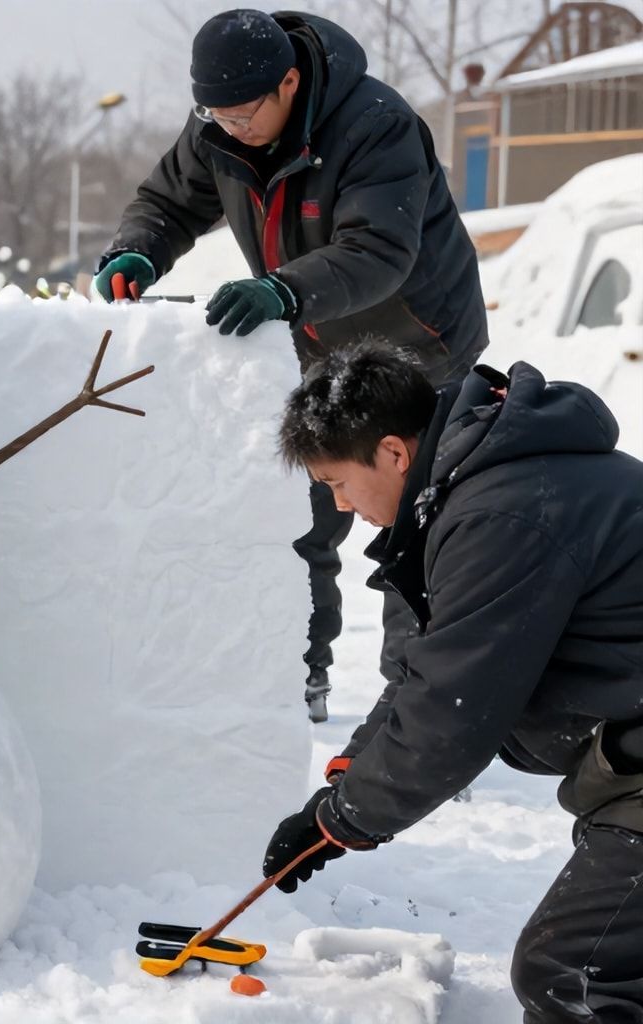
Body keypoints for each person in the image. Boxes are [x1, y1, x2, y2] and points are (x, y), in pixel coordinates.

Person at [93, 9, 488, 722]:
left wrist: (284, 290)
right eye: (216, 116)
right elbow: (168, 202)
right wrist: (137, 250)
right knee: (304, 517)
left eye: (245, 114)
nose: (232, 129)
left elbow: (378, 250)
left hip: (420, 346)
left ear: (289, 83)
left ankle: (423, 705)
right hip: (318, 347)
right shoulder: (220, 128)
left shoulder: (375, 124)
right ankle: (296, 677)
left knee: (417, 525)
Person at [262, 346, 643, 1023]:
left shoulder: (502, 513)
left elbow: (455, 711)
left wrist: (344, 818)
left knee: (572, 968)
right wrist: (347, 782)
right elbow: (427, 670)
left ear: (392, 453)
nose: (340, 504)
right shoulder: (465, 495)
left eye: (338, 482)